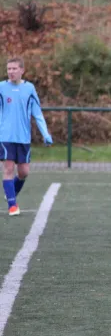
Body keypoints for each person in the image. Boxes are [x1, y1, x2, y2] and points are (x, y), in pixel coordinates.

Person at [0, 56, 53, 216]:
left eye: (14, 68)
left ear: (22, 70)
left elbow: (37, 113)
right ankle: (12, 206)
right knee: (8, 169)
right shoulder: (1, 87)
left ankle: (10, 193)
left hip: (23, 138)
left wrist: (45, 133)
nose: (11, 72)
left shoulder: (29, 89)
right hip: (5, 136)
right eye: (9, 69)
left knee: (24, 172)